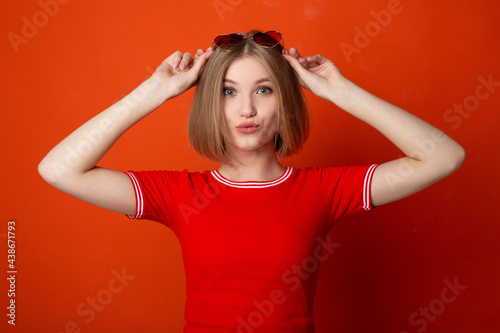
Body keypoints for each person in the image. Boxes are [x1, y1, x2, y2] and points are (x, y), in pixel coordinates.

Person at [38, 30, 465, 333]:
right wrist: (153, 92)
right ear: (211, 103)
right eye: (228, 91)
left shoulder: (323, 191)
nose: (246, 109)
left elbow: (444, 156)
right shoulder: (180, 195)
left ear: (285, 98)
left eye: (263, 90)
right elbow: (58, 169)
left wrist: (340, 91)